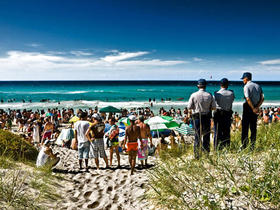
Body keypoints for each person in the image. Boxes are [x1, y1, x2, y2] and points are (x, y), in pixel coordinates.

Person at [188, 79, 216, 159]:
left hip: (197, 117)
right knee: (206, 136)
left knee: (197, 136)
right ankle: (206, 154)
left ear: (198, 86)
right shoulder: (209, 95)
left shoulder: (194, 95)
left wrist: (196, 107)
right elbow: (214, 107)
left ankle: (197, 156)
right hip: (206, 117)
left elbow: (189, 107)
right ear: (205, 86)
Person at [241, 72, 264, 150]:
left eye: (243, 79)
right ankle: (252, 146)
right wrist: (257, 107)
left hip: (248, 108)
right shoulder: (258, 86)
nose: (243, 80)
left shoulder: (246, 86)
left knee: (245, 128)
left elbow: (247, 98)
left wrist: (253, 108)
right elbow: (262, 98)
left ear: (246, 78)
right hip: (255, 107)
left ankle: (244, 146)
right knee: (253, 128)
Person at [213, 78, 235, 150]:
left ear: (220, 85)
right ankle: (227, 147)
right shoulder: (231, 93)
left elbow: (214, 103)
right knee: (226, 132)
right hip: (227, 114)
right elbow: (231, 101)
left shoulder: (216, 93)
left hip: (218, 114)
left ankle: (217, 148)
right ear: (227, 85)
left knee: (217, 132)